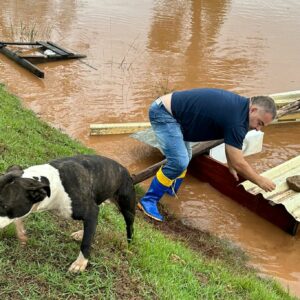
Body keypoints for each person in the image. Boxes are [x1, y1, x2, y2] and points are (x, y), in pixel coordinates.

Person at [138, 88, 277, 221]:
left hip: (177, 115)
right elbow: (238, 161)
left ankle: (169, 189)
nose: (258, 129)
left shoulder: (241, 110)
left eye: (262, 126)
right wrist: (260, 180)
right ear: (253, 110)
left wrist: (231, 164)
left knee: (185, 158)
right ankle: (148, 200)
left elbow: (233, 148)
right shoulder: (237, 121)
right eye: (259, 123)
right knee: (179, 162)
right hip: (165, 113)